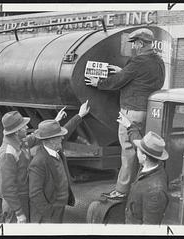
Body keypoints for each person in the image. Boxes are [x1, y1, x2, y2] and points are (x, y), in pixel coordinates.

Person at [85, 28, 165, 199]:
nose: (134, 46)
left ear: (141, 43)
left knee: (128, 152)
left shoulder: (138, 62)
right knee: (142, 150)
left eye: (135, 43)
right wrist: (123, 69)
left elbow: (117, 82)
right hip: (147, 111)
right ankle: (137, 186)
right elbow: (141, 78)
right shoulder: (158, 61)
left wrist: (98, 82)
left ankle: (121, 191)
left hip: (131, 112)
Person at [0, 109, 69, 223]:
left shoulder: (20, 140)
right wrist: (19, 213)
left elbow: (36, 137)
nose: (26, 128)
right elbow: (7, 188)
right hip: (15, 203)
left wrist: (55, 121)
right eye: (23, 126)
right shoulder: (7, 154)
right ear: (16, 132)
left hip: (24, 198)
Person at [29, 101, 90, 223]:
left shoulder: (54, 148)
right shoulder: (39, 162)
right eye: (59, 136)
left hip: (59, 208)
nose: (63, 138)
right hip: (47, 217)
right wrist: (49, 214)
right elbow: (35, 194)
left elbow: (66, 130)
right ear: (51, 140)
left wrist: (79, 115)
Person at [117, 111, 169, 224]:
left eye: (138, 150)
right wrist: (129, 126)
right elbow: (137, 139)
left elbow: (150, 227)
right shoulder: (153, 165)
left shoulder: (155, 192)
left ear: (144, 157)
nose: (136, 151)